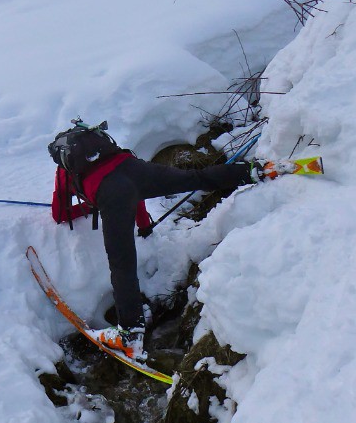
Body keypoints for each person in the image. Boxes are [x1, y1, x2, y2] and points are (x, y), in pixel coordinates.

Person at [52, 140, 256, 360]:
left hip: (112, 193)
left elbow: (59, 214)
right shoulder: (104, 152)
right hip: (134, 169)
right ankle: (252, 171)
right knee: (194, 178)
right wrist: (144, 225)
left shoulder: (65, 172)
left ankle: (130, 334)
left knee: (122, 264)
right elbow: (133, 192)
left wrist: (94, 204)